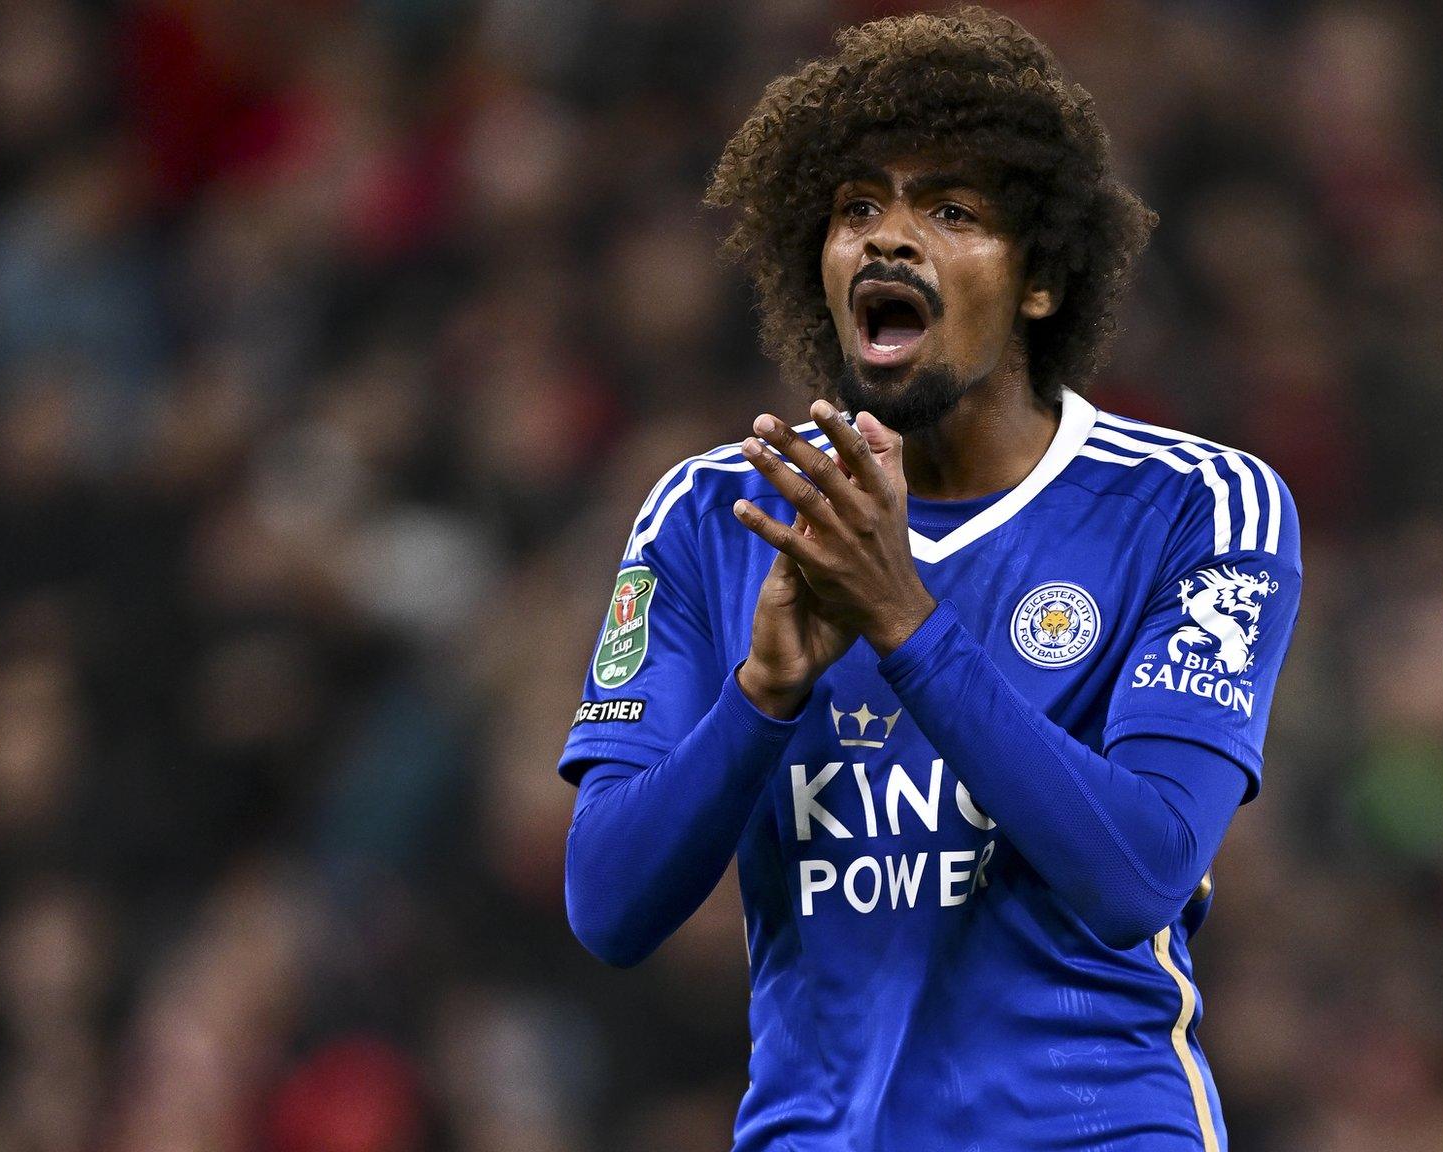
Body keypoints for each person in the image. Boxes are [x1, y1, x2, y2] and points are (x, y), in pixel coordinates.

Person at [558, 8, 1301, 1148]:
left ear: (1040, 280)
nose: (887, 240)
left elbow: (1140, 871)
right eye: (856, 207)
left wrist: (905, 624)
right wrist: (761, 697)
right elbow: (607, 906)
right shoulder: (717, 513)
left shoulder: (1195, 509)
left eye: (949, 211)